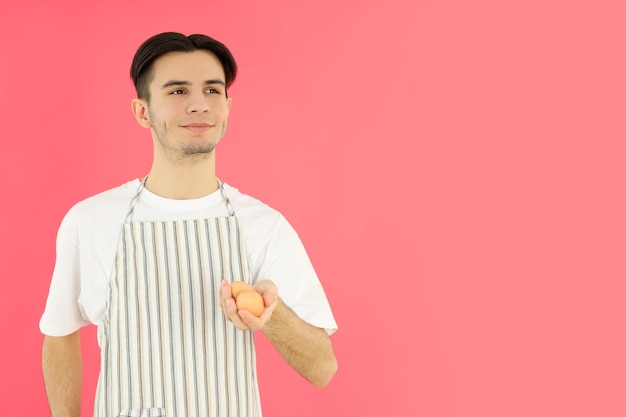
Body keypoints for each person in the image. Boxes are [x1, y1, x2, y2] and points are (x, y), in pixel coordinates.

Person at [39, 32, 338, 417]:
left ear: (228, 107)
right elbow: (59, 334)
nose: (199, 105)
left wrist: (271, 314)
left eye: (212, 91)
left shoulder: (263, 226)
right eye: (178, 92)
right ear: (142, 111)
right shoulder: (91, 221)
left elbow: (323, 369)